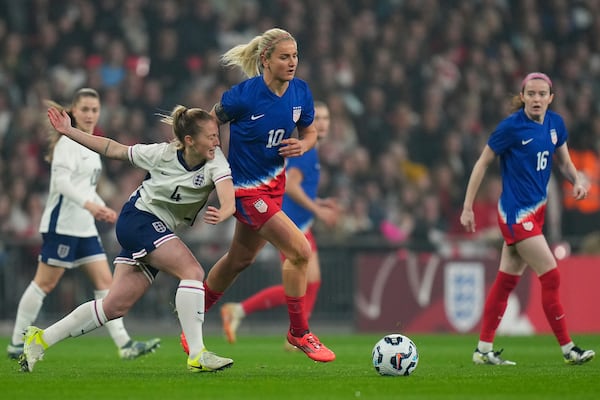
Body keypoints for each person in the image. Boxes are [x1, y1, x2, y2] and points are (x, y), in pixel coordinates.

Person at [19, 103, 236, 373]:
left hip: (158, 230)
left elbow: (229, 198)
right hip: (139, 219)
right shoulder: (161, 154)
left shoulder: (216, 160)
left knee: (114, 306)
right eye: (211, 136)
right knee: (192, 271)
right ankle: (197, 354)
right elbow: (112, 148)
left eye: (217, 134)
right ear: (190, 141)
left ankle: (40, 339)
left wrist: (225, 212)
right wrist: (69, 131)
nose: (217, 141)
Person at [194, 27, 335, 363]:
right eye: (284, 57)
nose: (292, 63)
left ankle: (192, 317)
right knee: (300, 250)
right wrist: (216, 167)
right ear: (265, 61)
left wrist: (303, 144)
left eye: (295, 56)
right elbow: (210, 124)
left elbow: (310, 131)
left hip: (275, 188)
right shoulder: (243, 96)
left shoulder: (300, 93)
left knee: (239, 260)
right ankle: (299, 332)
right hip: (245, 190)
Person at [7, 88, 159, 361]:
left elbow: (85, 186)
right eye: (85, 109)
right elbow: (63, 184)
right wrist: (92, 206)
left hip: (84, 227)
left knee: (105, 282)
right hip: (62, 225)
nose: (90, 114)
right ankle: (17, 342)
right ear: (74, 112)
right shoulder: (67, 144)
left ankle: (124, 344)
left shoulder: (91, 145)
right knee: (44, 284)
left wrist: (102, 206)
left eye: (94, 110)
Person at [460, 72, 595, 366]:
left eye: (541, 94)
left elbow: (565, 161)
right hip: (515, 213)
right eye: (531, 94)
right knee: (551, 272)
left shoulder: (555, 124)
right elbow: (482, 163)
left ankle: (482, 350)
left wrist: (577, 181)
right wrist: (468, 206)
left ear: (551, 98)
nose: (536, 99)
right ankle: (568, 349)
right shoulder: (510, 128)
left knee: (506, 280)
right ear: (522, 97)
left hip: (536, 211)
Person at [182, 101, 339, 352]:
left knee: (243, 261)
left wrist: (318, 203)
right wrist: (317, 209)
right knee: (300, 264)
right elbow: (291, 185)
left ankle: (229, 312)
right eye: (317, 117)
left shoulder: (311, 149)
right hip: (287, 218)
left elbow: (297, 185)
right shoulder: (304, 151)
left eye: (326, 118)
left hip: (294, 218)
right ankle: (296, 332)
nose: (321, 123)